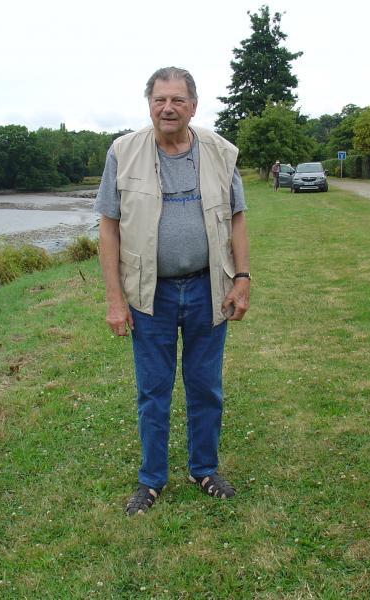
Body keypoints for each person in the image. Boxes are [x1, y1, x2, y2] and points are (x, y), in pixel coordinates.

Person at [95, 67, 251, 515]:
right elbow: (108, 227)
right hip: (149, 295)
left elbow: (237, 216)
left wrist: (242, 278)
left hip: (209, 288)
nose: (168, 108)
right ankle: (152, 480)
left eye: (177, 100)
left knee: (206, 386)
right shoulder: (123, 152)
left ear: (193, 106)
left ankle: (203, 468)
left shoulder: (221, 152)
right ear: (149, 105)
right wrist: (113, 300)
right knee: (153, 390)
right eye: (160, 99)